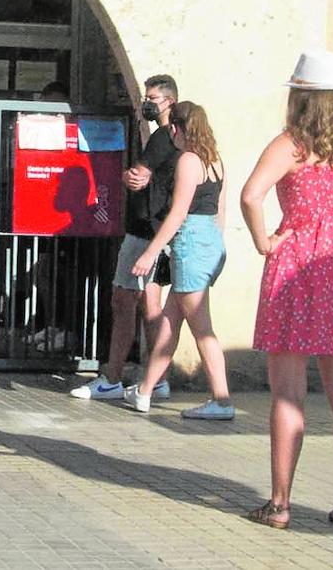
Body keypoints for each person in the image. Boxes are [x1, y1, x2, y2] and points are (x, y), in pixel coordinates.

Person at [239, 49, 333, 531]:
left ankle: (279, 504)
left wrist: (266, 240)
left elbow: (250, 194)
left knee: (288, 394)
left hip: (295, 268)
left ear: (299, 98)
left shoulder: (291, 145)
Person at [69, 75, 178, 401]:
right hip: (156, 231)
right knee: (149, 304)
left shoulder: (162, 137)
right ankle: (156, 379)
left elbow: (137, 178)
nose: (147, 103)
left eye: (153, 98)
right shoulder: (172, 137)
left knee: (126, 299)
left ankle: (113, 377)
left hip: (144, 232)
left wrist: (121, 174)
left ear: (169, 101)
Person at [122, 101, 231, 418]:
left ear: (177, 128)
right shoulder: (216, 162)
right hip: (208, 242)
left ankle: (222, 400)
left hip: (190, 245)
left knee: (202, 330)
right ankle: (144, 391)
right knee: (168, 325)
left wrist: (151, 250)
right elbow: (220, 212)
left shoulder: (188, 161)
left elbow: (178, 212)